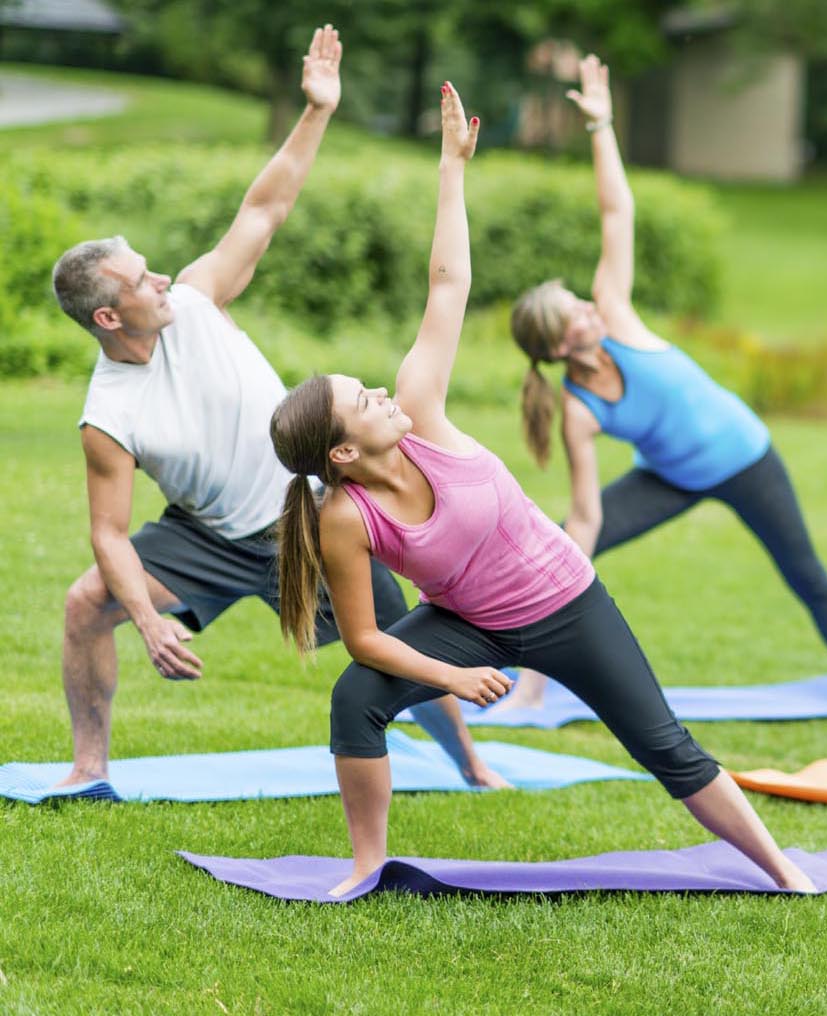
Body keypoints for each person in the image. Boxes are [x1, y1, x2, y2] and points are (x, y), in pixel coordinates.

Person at [270, 83, 812, 896]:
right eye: (363, 399)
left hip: (569, 604)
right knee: (357, 698)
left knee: (665, 746)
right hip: (471, 629)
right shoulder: (345, 517)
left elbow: (446, 283)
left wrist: (453, 167)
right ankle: (365, 866)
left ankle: (783, 871)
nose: (383, 393)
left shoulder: (419, 413)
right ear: (343, 450)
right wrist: (450, 677)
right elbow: (366, 641)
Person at [46, 25, 497, 791]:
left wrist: (318, 109)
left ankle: (474, 767)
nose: (159, 281)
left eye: (153, 270)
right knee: (86, 605)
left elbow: (267, 207)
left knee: (392, 637)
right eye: (140, 282)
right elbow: (108, 536)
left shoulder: (194, 298)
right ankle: (88, 770)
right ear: (108, 319)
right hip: (211, 538)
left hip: (310, 514)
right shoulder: (107, 416)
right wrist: (152, 625)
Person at [502, 54, 827, 712]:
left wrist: (602, 128)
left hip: (745, 456)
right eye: (577, 315)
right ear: (561, 345)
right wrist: (569, 558)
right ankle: (531, 687)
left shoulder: (618, 314)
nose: (591, 309)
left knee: (805, 573)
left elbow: (615, 214)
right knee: (563, 551)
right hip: (671, 477)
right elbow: (588, 514)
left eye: (583, 303)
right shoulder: (579, 409)